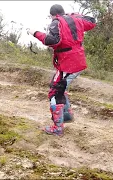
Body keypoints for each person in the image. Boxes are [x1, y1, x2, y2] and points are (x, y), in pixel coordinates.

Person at [27, 4, 96, 136]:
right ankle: (67, 114)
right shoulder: (76, 19)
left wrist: (35, 33)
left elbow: (52, 41)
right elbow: (92, 21)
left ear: (53, 15)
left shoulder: (56, 22)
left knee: (54, 93)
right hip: (76, 61)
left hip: (68, 63)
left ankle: (57, 127)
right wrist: (74, 15)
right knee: (56, 86)